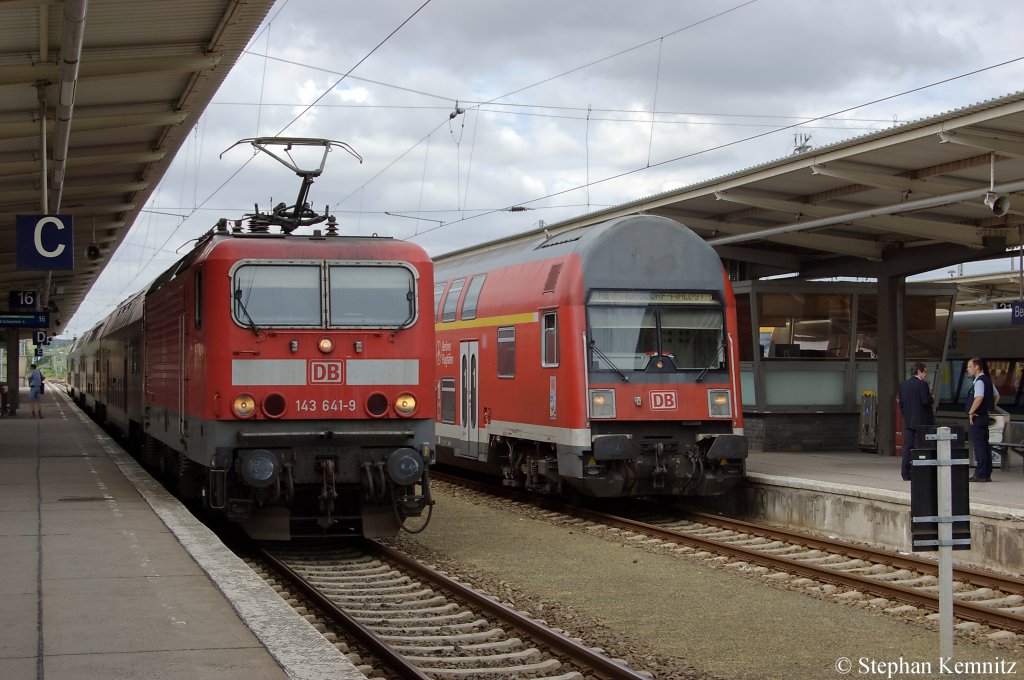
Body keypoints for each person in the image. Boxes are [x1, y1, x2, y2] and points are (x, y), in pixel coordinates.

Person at [898, 362, 935, 481]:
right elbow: (925, 401)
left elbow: (902, 404)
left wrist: (907, 417)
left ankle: (905, 472)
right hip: (922, 421)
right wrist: (931, 398)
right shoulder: (922, 384)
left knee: (908, 446)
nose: (926, 374)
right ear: (919, 371)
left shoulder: (903, 385)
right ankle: (919, 470)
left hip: (909, 421)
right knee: (921, 446)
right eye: (925, 371)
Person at [965, 357, 994, 482]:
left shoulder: (979, 381)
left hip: (978, 417)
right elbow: (997, 396)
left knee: (979, 445)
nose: (968, 369)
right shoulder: (987, 380)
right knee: (985, 445)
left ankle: (980, 473)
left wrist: (971, 412)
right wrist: (988, 408)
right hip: (985, 416)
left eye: (970, 367)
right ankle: (987, 472)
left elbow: (979, 398)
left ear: (977, 367)